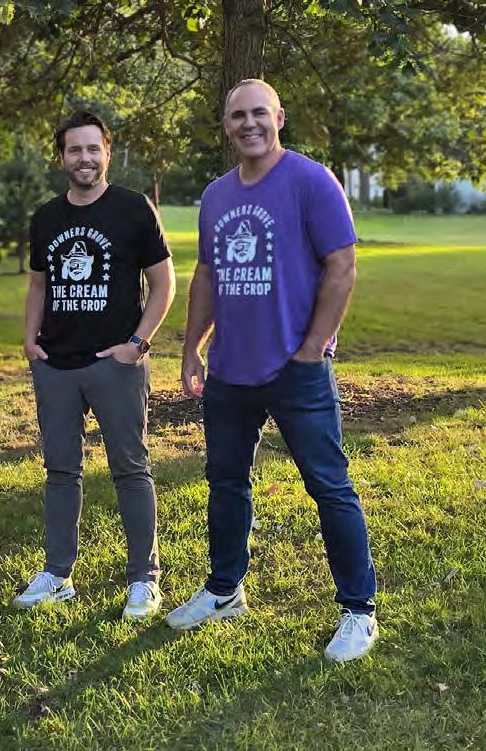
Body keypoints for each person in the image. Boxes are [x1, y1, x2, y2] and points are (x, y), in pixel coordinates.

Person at [168, 79, 379, 663]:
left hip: (296, 369)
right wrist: (192, 348)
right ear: (226, 126)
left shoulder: (311, 181)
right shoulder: (216, 195)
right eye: (238, 116)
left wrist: (312, 348)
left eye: (259, 113)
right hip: (231, 371)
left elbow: (342, 266)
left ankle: (359, 610)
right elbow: (207, 275)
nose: (249, 124)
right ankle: (224, 590)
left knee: (328, 485)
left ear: (279, 117)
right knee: (225, 482)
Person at [15, 110, 176, 620]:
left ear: (107, 152)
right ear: (61, 157)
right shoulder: (46, 217)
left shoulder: (133, 208)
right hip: (56, 365)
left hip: (116, 363)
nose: (84, 158)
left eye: (92, 148)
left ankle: (144, 579)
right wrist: (30, 341)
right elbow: (39, 284)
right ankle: (58, 574)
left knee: (131, 468)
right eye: (74, 150)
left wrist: (138, 344)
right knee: (61, 470)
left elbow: (164, 283)